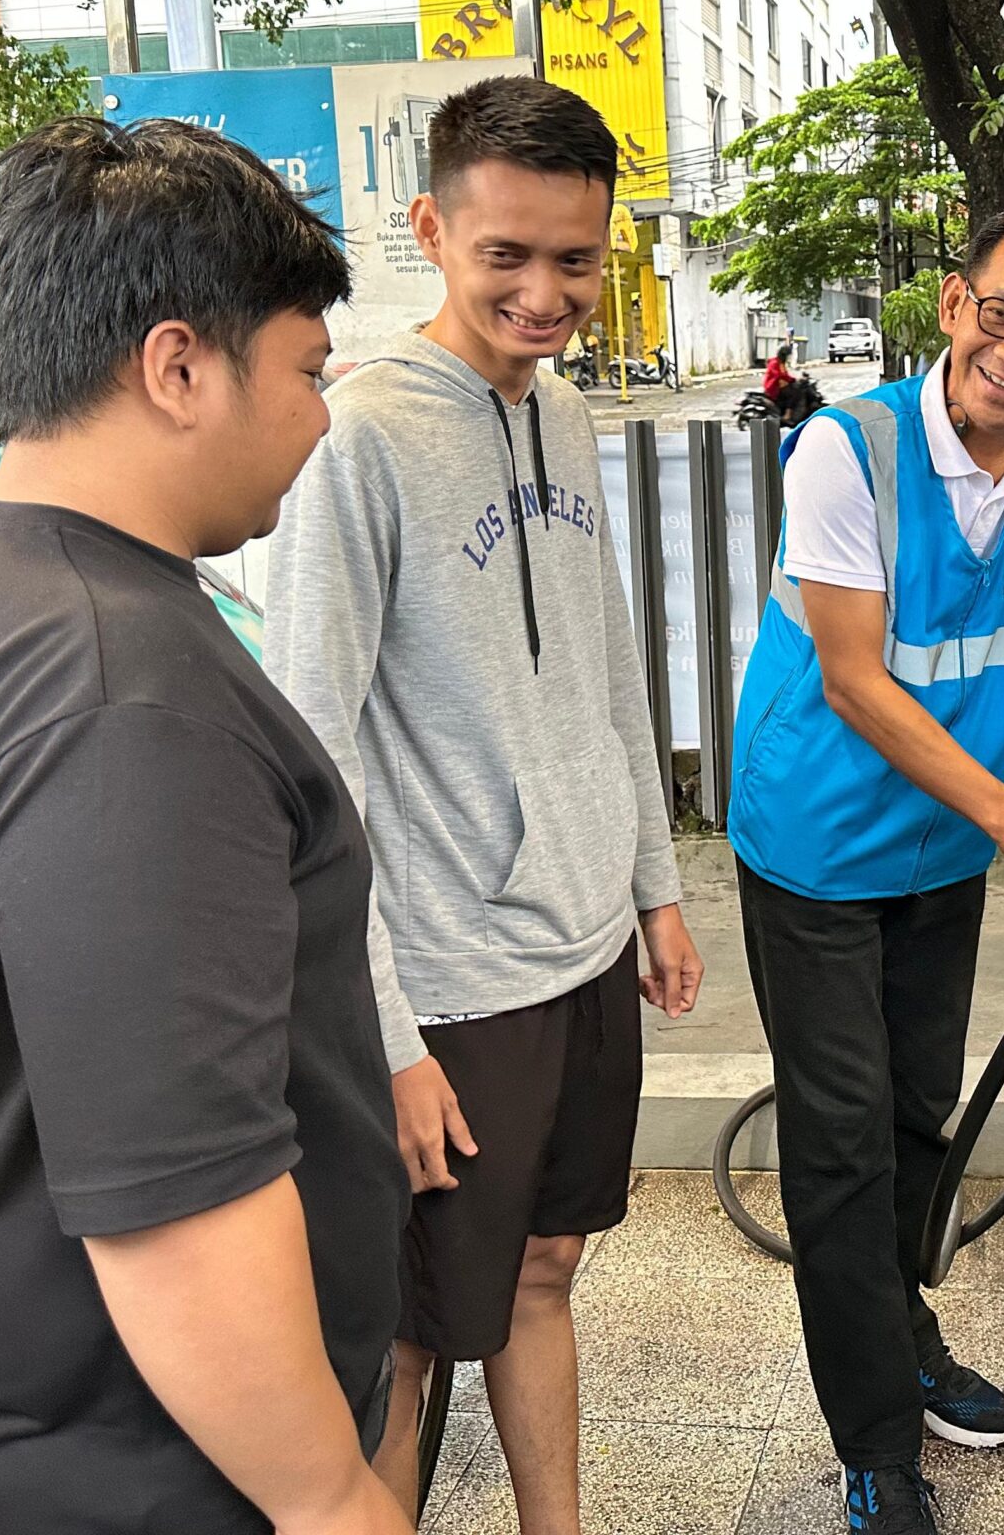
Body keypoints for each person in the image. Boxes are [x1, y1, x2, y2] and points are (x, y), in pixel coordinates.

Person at [0, 117, 410, 1534]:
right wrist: (332, 1498)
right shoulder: (117, 690)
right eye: (306, 371)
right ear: (177, 365)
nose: (322, 417)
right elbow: (178, 1204)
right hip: (128, 1479)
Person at [262, 76, 701, 1533]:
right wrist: (382, 1035)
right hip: (445, 978)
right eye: (504, 254)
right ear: (431, 229)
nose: (542, 290)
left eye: (573, 259)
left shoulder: (568, 415)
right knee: (405, 1332)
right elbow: (315, 756)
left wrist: (651, 882)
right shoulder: (358, 439)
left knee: (547, 1266)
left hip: (581, 950)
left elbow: (602, 668)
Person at [728, 198, 1004, 1535]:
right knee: (843, 1146)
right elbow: (860, 684)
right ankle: (877, 1443)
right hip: (816, 847)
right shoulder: (845, 453)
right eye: (1003, 312)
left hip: (938, 849)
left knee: (927, 1114)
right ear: (953, 306)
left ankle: (905, 1337)